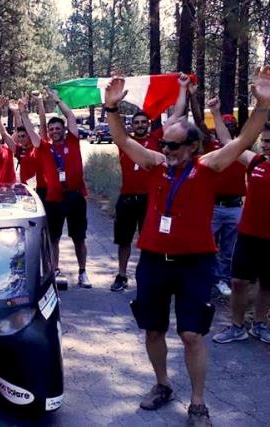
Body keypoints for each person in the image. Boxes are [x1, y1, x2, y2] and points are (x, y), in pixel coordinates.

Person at [104, 66, 270, 426]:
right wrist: (113, 109)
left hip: (195, 263)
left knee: (192, 334)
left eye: (174, 145)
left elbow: (243, 142)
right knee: (153, 329)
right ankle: (162, 384)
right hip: (153, 261)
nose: (166, 149)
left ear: (193, 146)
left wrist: (263, 106)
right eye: (164, 144)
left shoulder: (208, 166)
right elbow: (122, 141)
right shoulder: (155, 164)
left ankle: (198, 403)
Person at [111, 74, 187, 292]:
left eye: (144, 122)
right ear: (131, 125)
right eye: (137, 123)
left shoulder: (156, 138)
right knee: (123, 240)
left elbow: (178, 114)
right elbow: (117, 129)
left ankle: (150, 276)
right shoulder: (125, 142)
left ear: (149, 124)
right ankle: (122, 275)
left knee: (151, 239)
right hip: (127, 198)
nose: (141, 125)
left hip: (150, 199)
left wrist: (181, 88)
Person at [19, 88, 92, 288]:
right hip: (54, 199)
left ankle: (83, 272)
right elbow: (32, 131)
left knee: (79, 238)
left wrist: (56, 100)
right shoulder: (43, 147)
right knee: (54, 238)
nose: (54, 131)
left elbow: (70, 115)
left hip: (76, 197)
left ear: (64, 129)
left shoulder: (73, 140)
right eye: (51, 130)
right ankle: (54, 270)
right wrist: (23, 111)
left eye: (58, 128)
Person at [211, 120, 270, 345]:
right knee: (237, 281)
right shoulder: (255, 162)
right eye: (263, 141)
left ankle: (260, 325)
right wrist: (215, 113)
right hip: (248, 235)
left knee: (266, 284)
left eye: (269, 142)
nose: (265, 145)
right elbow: (228, 142)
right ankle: (237, 327)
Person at [195, 97, 246, 297]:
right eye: (225, 125)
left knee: (229, 249)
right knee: (207, 244)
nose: (228, 127)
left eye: (231, 125)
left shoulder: (242, 150)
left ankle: (223, 280)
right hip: (213, 205)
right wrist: (192, 96)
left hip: (234, 206)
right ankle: (207, 278)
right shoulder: (211, 147)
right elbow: (199, 123)